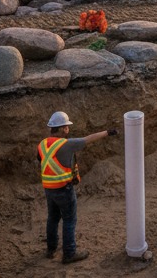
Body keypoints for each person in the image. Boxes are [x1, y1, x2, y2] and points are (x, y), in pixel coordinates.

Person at [38, 111, 117, 264]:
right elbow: (88, 139)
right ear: (62, 129)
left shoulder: (41, 144)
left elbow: (42, 162)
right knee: (69, 220)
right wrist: (107, 132)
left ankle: (51, 249)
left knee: (53, 218)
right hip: (63, 189)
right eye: (66, 127)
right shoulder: (66, 144)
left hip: (49, 189)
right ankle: (69, 253)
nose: (68, 129)